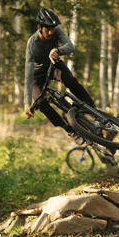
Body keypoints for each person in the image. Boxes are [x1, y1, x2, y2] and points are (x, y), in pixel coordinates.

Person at [23, 8, 96, 139]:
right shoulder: (32, 43)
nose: (51, 32)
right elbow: (28, 75)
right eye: (47, 29)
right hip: (37, 74)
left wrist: (57, 50)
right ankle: (68, 128)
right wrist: (27, 103)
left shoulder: (56, 31)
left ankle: (95, 112)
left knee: (70, 81)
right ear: (39, 27)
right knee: (40, 103)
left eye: (53, 28)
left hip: (54, 64)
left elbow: (70, 46)